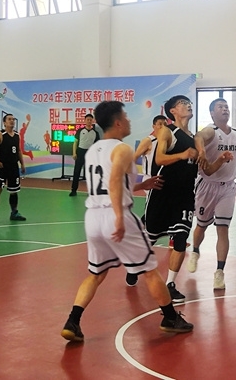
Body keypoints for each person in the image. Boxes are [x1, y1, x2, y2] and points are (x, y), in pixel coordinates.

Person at [60, 101, 193, 342]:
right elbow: (113, 183)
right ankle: (170, 318)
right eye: (126, 117)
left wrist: (142, 185)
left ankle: (73, 321)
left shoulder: (93, 150)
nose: (129, 120)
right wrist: (120, 218)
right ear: (118, 122)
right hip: (114, 213)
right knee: (150, 270)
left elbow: (108, 184)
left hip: (93, 217)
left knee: (96, 274)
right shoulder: (121, 149)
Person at [132, 95, 198, 302]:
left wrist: (220, 161)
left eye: (189, 103)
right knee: (150, 236)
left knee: (181, 238)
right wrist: (182, 155)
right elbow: (160, 158)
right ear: (173, 111)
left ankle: (170, 284)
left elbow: (205, 168)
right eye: (183, 103)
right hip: (162, 192)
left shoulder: (195, 138)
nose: (188, 105)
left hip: (185, 195)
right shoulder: (167, 131)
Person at [187, 98, 236, 290]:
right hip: (207, 186)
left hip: (228, 188)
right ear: (212, 113)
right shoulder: (212, 131)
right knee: (201, 226)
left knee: (223, 229)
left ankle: (219, 272)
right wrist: (201, 151)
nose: (225, 109)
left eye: (226, 106)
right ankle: (195, 251)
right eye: (220, 107)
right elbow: (199, 136)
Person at [0, 113, 27, 224]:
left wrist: (22, 164)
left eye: (13, 119)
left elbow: (18, 151)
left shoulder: (17, 135)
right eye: (9, 119)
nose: (12, 121)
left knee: (14, 191)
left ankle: (14, 212)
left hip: (13, 166)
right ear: (4, 122)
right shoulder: (0, 134)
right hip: (2, 166)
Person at [69, 114, 101, 197]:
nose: (89, 121)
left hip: (90, 154)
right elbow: (75, 143)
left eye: (91, 120)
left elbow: (97, 146)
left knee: (89, 173)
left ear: (92, 121)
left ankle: (90, 191)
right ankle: (73, 190)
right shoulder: (80, 131)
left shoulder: (95, 133)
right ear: (85, 120)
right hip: (80, 152)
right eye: (88, 119)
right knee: (76, 172)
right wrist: (74, 153)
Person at [133, 115, 168, 187]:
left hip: (163, 178)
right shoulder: (148, 141)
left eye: (165, 124)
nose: (163, 127)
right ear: (153, 126)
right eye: (160, 124)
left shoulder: (166, 142)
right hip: (151, 179)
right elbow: (135, 157)